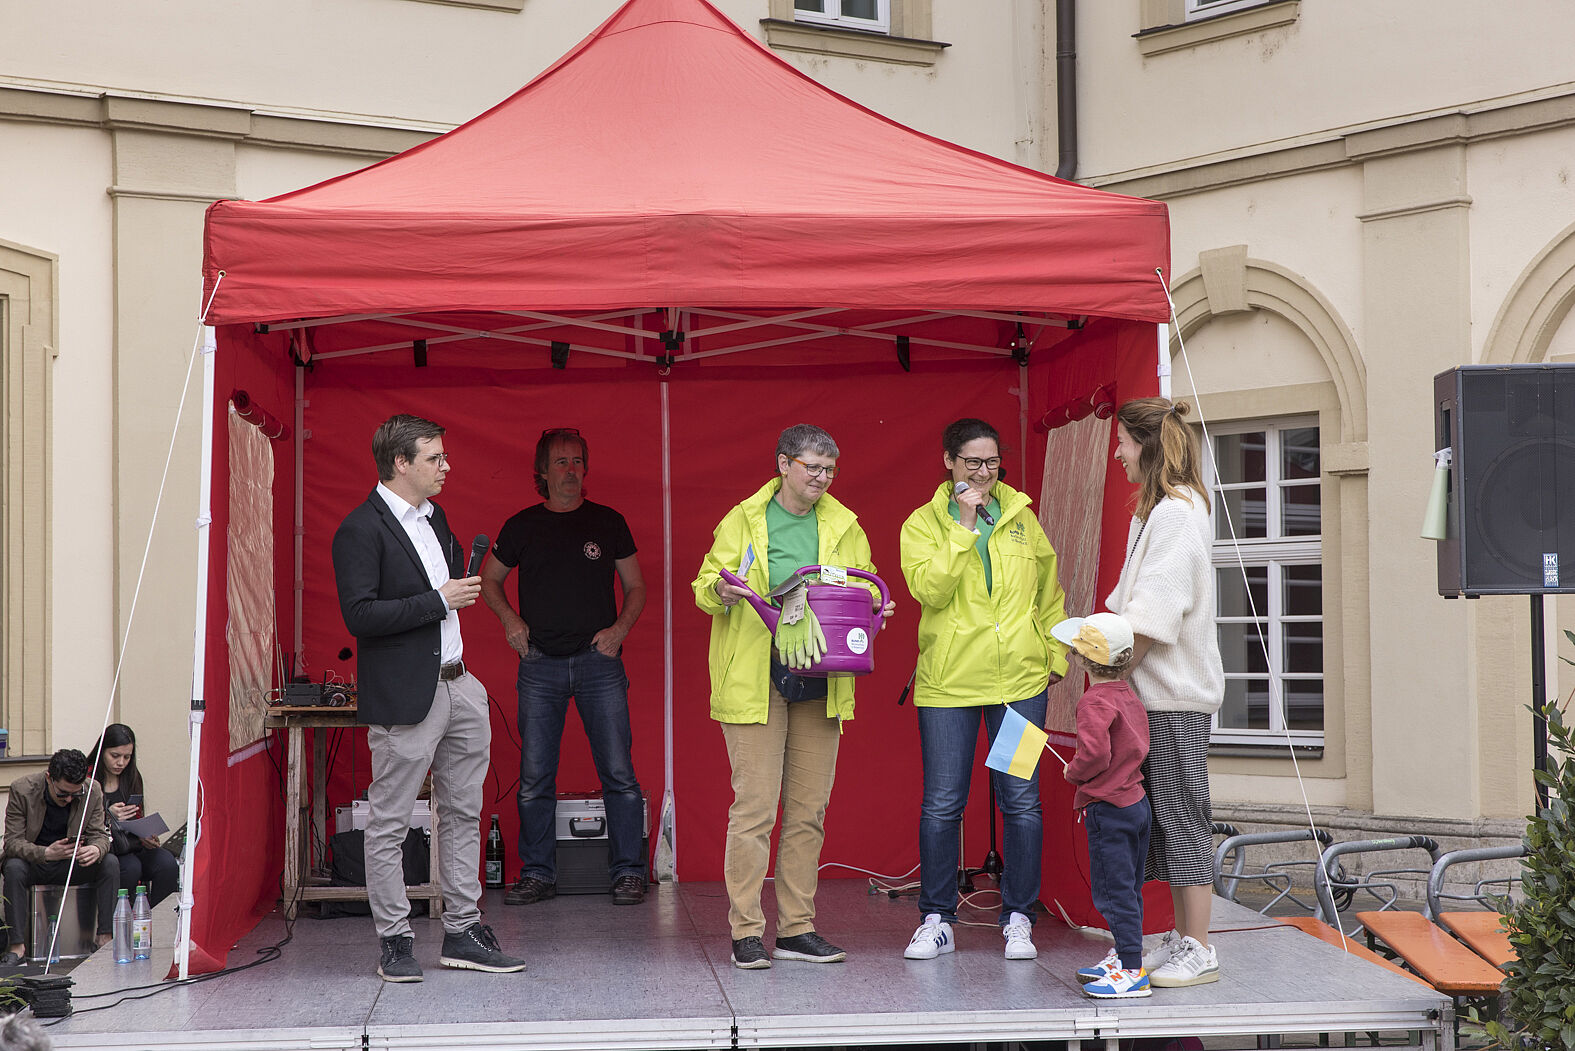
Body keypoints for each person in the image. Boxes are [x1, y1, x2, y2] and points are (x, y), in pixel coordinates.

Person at [692, 424, 894, 970]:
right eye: (812, 468)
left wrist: (875, 605)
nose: (822, 479)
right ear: (784, 464)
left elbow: (865, 580)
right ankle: (746, 931)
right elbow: (706, 583)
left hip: (823, 676)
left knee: (808, 812)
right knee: (754, 810)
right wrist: (721, 589)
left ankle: (797, 929)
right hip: (757, 676)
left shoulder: (843, 522)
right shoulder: (744, 518)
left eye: (829, 469)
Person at [332, 413, 525, 983]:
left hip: (459, 681)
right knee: (391, 822)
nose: (446, 466)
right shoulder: (360, 529)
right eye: (434, 457)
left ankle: (463, 930)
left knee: (465, 811)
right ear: (401, 463)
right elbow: (359, 616)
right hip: (405, 692)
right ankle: (394, 939)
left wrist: (447, 599)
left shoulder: (434, 518)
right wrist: (437, 600)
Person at [898, 417, 1068, 962]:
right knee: (944, 804)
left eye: (992, 461)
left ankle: (1019, 916)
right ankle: (936, 917)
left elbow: (1049, 589)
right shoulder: (923, 524)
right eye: (972, 461)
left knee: (1021, 801)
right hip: (948, 685)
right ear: (948, 462)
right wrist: (963, 523)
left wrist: (1053, 654)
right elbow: (929, 587)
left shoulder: (1021, 517)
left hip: (1018, 683)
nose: (984, 471)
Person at [481, 427, 648, 907]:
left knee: (618, 773)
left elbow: (635, 586)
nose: (570, 471)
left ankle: (627, 873)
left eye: (577, 462)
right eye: (560, 463)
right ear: (541, 471)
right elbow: (490, 580)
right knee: (535, 778)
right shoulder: (521, 525)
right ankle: (537, 874)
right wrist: (511, 621)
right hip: (539, 666)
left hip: (599, 663)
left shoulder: (608, 521)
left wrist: (618, 633)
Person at [1107, 397, 1226, 988]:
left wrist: (1107, 663)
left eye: (1124, 441)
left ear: (1148, 445)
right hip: (1153, 697)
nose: (1118, 451)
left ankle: (1201, 948)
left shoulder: (1178, 513)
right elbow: (1132, 604)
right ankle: (1185, 938)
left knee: (1183, 820)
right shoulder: (1156, 512)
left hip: (1174, 698)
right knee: (1165, 823)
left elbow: (1153, 616)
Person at [1054, 612, 1152, 1000]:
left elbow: (1094, 754)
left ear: (1081, 658)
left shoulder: (1093, 701)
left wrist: (1073, 772)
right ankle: (1126, 954)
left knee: (1114, 892)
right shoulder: (1128, 695)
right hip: (1135, 803)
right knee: (1129, 888)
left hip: (1108, 808)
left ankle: (1131, 970)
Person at [1, 749, 119, 964]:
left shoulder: (92, 790)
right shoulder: (23, 789)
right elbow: (12, 842)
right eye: (63, 793)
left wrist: (96, 849)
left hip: (71, 863)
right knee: (13, 867)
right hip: (36, 862)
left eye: (76, 794)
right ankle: (17, 947)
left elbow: (100, 835)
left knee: (109, 862)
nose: (69, 799)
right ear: (49, 778)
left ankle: (104, 938)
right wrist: (45, 853)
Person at [86, 724, 179, 907]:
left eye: (127, 757)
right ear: (102, 751)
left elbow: (137, 816)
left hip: (132, 843)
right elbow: (79, 819)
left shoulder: (133, 776)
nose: (121, 763)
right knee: (130, 867)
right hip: (105, 847)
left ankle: (151, 921)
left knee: (167, 863)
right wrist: (108, 814)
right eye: (115, 756)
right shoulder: (89, 777)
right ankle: (120, 924)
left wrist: (146, 836)